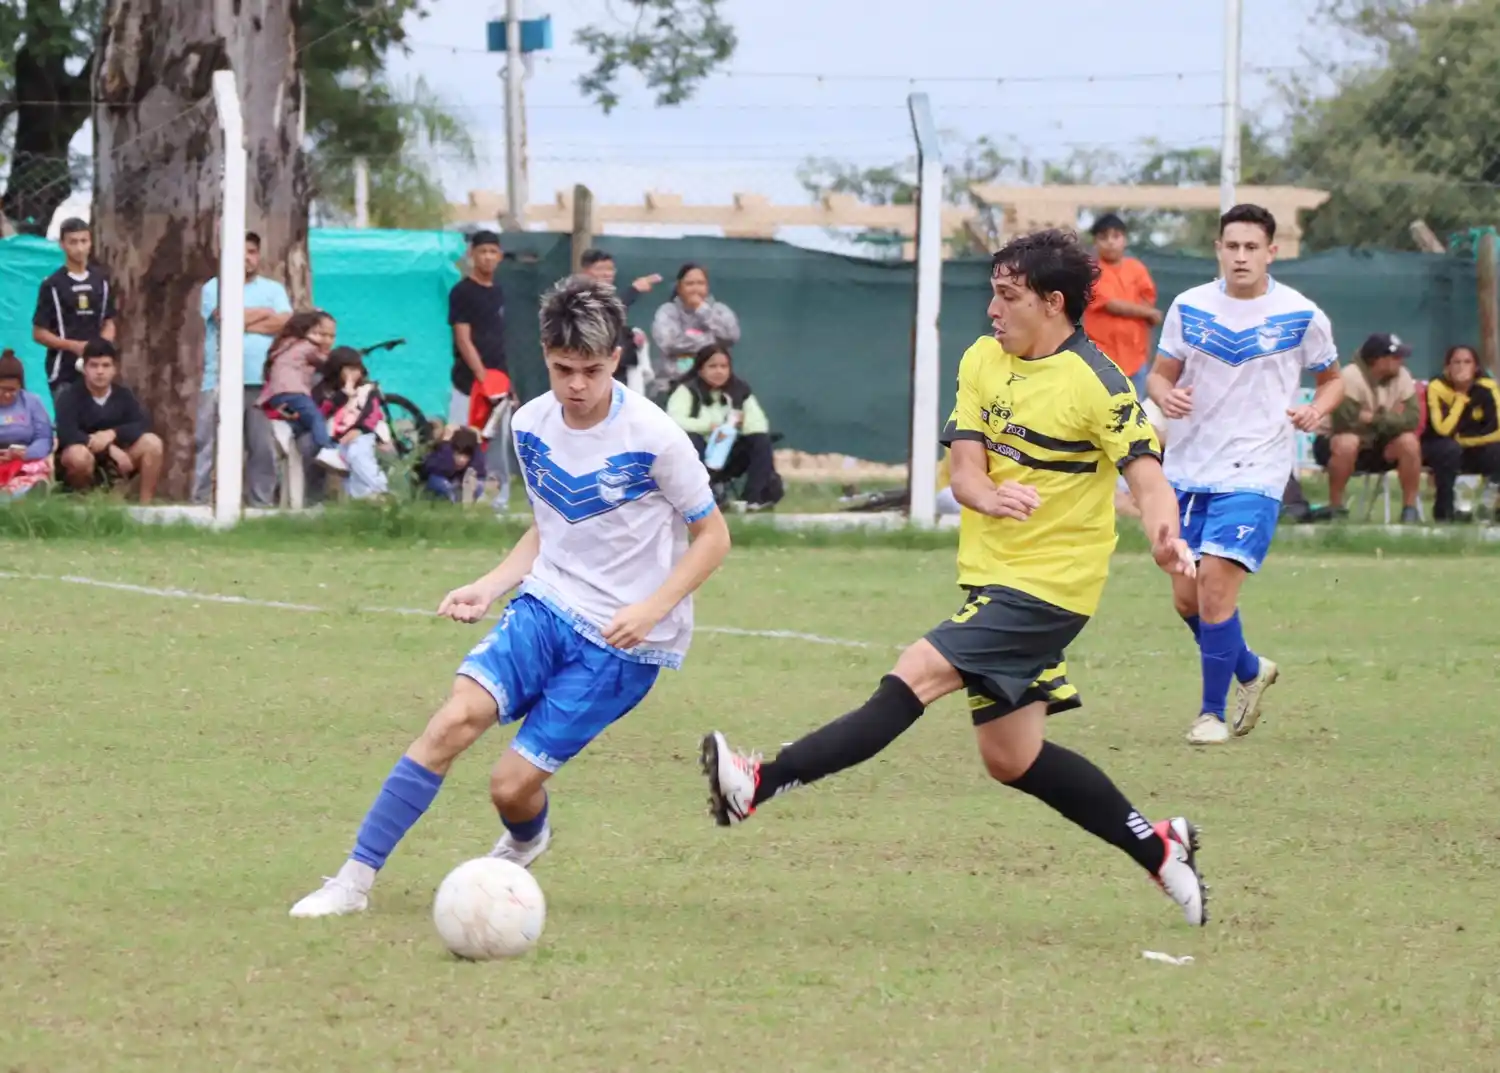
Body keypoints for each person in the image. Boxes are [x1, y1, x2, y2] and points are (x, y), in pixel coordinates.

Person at [701, 229, 1210, 928]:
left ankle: (756, 784)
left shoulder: (1097, 382)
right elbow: (966, 468)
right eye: (992, 295)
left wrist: (1165, 535)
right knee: (1012, 757)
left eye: (1008, 296)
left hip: (1049, 590)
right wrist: (987, 494)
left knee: (915, 672)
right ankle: (1158, 847)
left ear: (1053, 303)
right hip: (993, 580)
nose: (993, 310)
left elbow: (1149, 479)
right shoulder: (981, 360)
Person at [289, 275, 732, 918]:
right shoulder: (529, 422)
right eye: (561, 369)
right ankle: (352, 882)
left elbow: (713, 537)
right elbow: (550, 524)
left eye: (590, 370)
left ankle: (528, 839)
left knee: (510, 788)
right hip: (547, 604)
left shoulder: (657, 438)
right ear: (545, 355)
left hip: (622, 644)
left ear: (615, 360)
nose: (575, 385)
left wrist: (652, 607)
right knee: (453, 721)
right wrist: (490, 584)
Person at [1148, 203, 1344, 746]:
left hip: (1257, 467)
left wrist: (1317, 410)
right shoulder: (1189, 307)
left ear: (1270, 252)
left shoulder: (1300, 314)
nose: (1240, 256)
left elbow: (1333, 380)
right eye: (1231, 246)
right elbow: (1157, 378)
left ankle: (1211, 715)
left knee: (1214, 583)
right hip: (1188, 467)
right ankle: (1251, 669)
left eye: (1251, 247)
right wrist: (1169, 395)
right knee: (1187, 599)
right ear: (1218, 249)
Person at [198, 231, 293, 505]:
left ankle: (260, 504)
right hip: (218, 379)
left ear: (258, 255)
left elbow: (284, 323)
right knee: (210, 444)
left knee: (262, 447)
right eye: (239, 253)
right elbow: (222, 317)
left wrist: (240, 318)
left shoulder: (273, 289)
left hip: (260, 381)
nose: (246, 258)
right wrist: (264, 313)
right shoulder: (213, 288)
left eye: (251, 252)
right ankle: (203, 502)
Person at [1314, 333, 1421, 521]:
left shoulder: (1403, 375)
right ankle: (1336, 507)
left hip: (1379, 443)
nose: (1401, 361)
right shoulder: (1349, 376)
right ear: (1377, 360)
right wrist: (1392, 418)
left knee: (1409, 442)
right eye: (1395, 357)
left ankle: (1409, 510)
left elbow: (1412, 419)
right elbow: (1345, 423)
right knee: (1347, 441)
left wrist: (1371, 418)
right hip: (1332, 444)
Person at [666, 344, 783, 510]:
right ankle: (705, 495)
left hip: (729, 454)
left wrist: (740, 426)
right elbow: (673, 421)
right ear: (700, 369)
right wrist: (710, 427)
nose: (719, 371)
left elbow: (758, 423)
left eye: (724, 366)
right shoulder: (687, 391)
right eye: (712, 366)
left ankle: (754, 499)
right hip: (700, 454)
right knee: (691, 438)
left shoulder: (740, 391)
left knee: (760, 440)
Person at [54, 339, 163, 504]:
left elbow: (142, 424)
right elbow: (66, 432)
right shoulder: (69, 395)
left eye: (106, 366)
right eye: (94, 365)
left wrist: (112, 434)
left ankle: (144, 508)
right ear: (84, 368)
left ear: (115, 369)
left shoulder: (123, 395)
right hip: (83, 462)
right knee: (78, 455)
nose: (100, 371)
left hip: (117, 465)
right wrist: (107, 447)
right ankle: (82, 503)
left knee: (153, 443)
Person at [32, 218, 117, 404]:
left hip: (97, 372)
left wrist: (99, 347)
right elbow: (38, 333)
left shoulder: (101, 281)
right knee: (70, 427)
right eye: (73, 242)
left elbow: (109, 322)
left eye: (83, 241)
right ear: (62, 244)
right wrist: (74, 346)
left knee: (99, 426)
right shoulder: (52, 285)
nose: (79, 248)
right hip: (64, 371)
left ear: (91, 243)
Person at [257, 310, 349, 474]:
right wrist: (346, 362)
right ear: (305, 332)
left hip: (279, 394)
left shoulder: (286, 345)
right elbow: (328, 363)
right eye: (319, 334)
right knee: (315, 417)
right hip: (294, 391)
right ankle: (326, 450)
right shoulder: (307, 347)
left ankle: (287, 428)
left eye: (331, 336)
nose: (325, 340)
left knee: (307, 421)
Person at [1084, 213, 1160, 397]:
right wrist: (1148, 314)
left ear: (1125, 240)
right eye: (1103, 237)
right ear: (1095, 242)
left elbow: (1147, 298)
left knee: (1136, 414)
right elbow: (1111, 304)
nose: (1110, 242)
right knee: (1105, 413)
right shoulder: (1091, 272)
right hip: (1102, 358)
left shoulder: (1137, 268)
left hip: (1136, 357)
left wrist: (1146, 312)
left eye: (1116, 236)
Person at [1422, 343, 1500, 521]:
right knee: (1449, 449)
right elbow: (1443, 429)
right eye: (1456, 362)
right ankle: (1446, 511)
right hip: (1440, 446)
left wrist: (1465, 441)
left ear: (1476, 367)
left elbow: (1498, 428)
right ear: (1447, 367)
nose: (1461, 367)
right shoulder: (1436, 387)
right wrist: (1460, 398)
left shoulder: (1487, 386)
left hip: (1475, 444)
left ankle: (1491, 504)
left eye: (1467, 362)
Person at [448, 230, 508, 427]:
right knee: (464, 440)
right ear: (471, 254)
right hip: (469, 383)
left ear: (500, 256)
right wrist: (483, 376)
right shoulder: (462, 292)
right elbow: (463, 339)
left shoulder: (506, 290)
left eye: (493, 251)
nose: (488, 257)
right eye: (483, 251)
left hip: (503, 381)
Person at [315, 348, 391, 499]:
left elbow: (373, 412)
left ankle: (381, 490)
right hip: (338, 438)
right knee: (350, 463)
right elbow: (320, 412)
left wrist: (359, 429)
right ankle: (366, 500)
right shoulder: (324, 390)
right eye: (349, 369)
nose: (354, 374)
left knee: (356, 454)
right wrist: (343, 395)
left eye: (357, 369)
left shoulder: (368, 389)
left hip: (364, 432)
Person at [579, 248, 662, 384]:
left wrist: (631, 335)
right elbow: (603, 317)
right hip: (590, 367)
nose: (607, 274)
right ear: (585, 271)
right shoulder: (578, 296)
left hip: (617, 368)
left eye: (610, 269)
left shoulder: (609, 296)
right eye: (600, 269)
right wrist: (634, 290)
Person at [650, 263, 741, 387]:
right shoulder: (667, 311)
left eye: (700, 283)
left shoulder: (720, 310)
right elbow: (669, 343)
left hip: (716, 382)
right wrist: (711, 341)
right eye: (690, 284)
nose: (695, 289)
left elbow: (731, 336)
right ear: (679, 287)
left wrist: (702, 310)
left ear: (707, 286)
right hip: (674, 381)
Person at [0, 349, 55, 497]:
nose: (7, 394)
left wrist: (26, 453)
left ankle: (24, 493)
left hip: (23, 462)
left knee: (35, 474)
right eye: (2, 389)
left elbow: (44, 438)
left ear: (20, 386)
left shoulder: (32, 402)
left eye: (12, 390)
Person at [418, 426, 486, 503]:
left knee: (479, 486)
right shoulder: (441, 456)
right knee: (440, 482)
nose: (462, 460)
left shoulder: (472, 460)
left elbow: (479, 473)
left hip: (456, 483)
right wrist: (446, 442)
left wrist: (478, 445)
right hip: (435, 480)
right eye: (458, 454)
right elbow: (439, 469)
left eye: (466, 456)